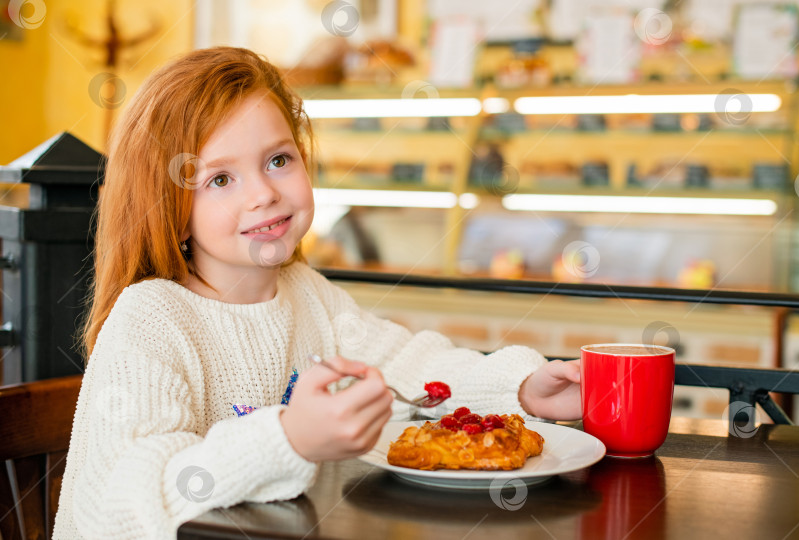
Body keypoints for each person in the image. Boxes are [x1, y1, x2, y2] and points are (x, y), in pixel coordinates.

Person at [53, 46, 581, 539]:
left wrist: (519, 387)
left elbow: (410, 366)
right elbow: (125, 504)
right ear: (166, 206)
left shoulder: (307, 294)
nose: (264, 193)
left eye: (278, 160)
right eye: (219, 179)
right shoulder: (151, 319)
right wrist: (288, 438)